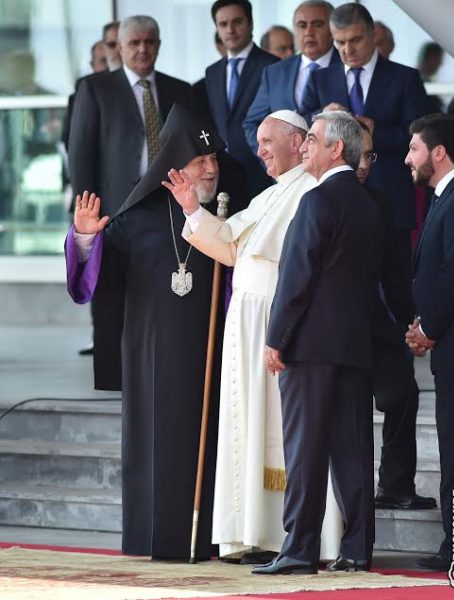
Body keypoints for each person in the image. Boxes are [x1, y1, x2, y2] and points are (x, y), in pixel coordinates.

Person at [65, 103, 247, 559]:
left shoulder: (227, 215)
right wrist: (85, 240)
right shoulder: (135, 218)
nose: (211, 169)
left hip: (214, 353)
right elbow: (96, 288)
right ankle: (153, 535)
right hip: (151, 355)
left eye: (214, 160)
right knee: (155, 443)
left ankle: (212, 537)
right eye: (200, 161)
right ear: (174, 167)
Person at [165, 110, 342, 564]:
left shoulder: (312, 191)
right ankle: (252, 532)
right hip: (245, 321)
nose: (258, 149)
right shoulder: (269, 196)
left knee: (280, 434)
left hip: (276, 320)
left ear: (298, 142)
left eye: (267, 141)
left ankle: (294, 537)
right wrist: (191, 208)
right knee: (248, 426)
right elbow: (227, 244)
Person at [253, 111, 382, 575]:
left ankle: (300, 549)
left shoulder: (316, 200)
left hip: (309, 348)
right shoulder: (368, 204)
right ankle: (357, 549)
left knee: (305, 450)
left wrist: (276, 338)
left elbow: (296, 279)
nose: (304, 147)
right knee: (352, 451)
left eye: (312, 140)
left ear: (337, 149)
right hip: (354, 346)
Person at [68, 15, 191, 385]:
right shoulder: (95, 89)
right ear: (119, 47)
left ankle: (162, 372)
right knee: (111, 296)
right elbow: (81, 154)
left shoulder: (180, 90)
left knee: (165, 294)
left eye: (149, 42)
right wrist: (88, 212)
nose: (142, 49)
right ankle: (110, 375)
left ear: (158, 45)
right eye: (134, 43)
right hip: (113, 212)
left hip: (167, 206)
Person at [301, 2, 429, 282]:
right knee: (344, 282)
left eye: (356, 40)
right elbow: (303, 125)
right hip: (336, 199)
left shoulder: (404, 78)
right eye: (340, 42)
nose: (347, 50)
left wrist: (375, 129)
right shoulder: (320, 78)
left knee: (396, 282)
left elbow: (420, 135)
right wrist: (322, 117)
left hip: (390, 196)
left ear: (373, 34)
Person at [405, 113, 454, 571]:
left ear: (438, 152)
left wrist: (428, 328)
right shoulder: (449, 196)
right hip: (451, 341)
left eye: (413, 149)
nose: (407, 159)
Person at [356, 121, 436, 510]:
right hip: (333, 328)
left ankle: (394, 486)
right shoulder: (308, 197)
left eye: (371, 155)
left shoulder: (380, 202)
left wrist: (410, 323)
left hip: (380, 323)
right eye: (362, 153)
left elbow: (395, 270)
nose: (366, 163)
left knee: (403, 395)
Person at [244, 1, 341, 155]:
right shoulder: (274, 72)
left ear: (333, 30)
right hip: (287, 175)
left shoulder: (348, 66)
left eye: (317, 24)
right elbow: (252, 124)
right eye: (302, 25)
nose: (309, 32)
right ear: (295, 30)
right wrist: (272, 158)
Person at [204, 0, 279, 198]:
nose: (230, 30)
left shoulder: (272, 66)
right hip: (223, 176)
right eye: (223, 24)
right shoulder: (212, 72)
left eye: (237, 22)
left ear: (251, 23)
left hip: (262, 172)